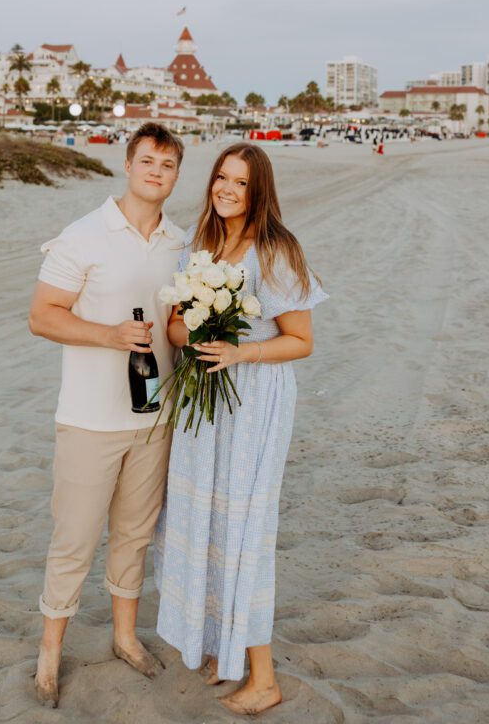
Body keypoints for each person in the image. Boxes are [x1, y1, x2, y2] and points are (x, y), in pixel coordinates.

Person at [154, 143, 327, 716]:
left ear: (260, 191)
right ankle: (218, 650)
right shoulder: (200, 245)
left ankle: (263, 677)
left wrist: (239, 352)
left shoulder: (276, 250)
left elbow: (300, 341)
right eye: (221, 178)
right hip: (204, 407)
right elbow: (175, 328)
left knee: (244, 530)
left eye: (241, 182)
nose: (227, 189)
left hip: (253, 404)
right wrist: (196, 329)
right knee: (204, 520)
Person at [28, 123, 185, 707]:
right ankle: (49, 654)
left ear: (175, 175)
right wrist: (111, 334)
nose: (156, 172)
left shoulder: (179, 243)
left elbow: (175, 326)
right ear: (127, 164)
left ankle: (125, 637)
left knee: (135, 535)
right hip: (90, 420)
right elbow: (43, 316)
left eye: (167, 165)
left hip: (154, 417)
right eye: (147, 161)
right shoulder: (84, 235)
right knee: (73, 539)